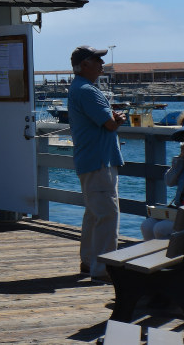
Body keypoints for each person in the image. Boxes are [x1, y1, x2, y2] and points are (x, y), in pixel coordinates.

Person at [67, 45, 126, 281]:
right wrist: (118, 118)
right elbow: (109, 124)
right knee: (108, 215)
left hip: (90, 159)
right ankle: (104, 269)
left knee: (94, 213)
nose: (102, 64)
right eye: (97, 60)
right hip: (99, 160)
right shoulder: (87, 91)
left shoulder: (78, 88)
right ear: (84, 65)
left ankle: (89, 261)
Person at [140, 111, 184, 240]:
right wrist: (181, 159)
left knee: (161, 229)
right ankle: (154, 259)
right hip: (182, 210)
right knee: (147, 225)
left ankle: (172, 259)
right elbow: (169, 181)